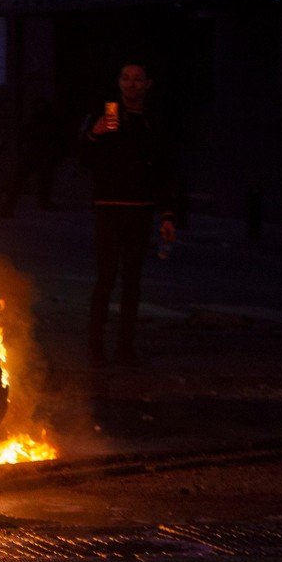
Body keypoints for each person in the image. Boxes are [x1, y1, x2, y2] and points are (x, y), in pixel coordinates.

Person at [80, 61, 178, 367]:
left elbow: (164, 169)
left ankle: (125, 347)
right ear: (119, 82)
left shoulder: (153, 121)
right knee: (106, 277)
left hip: (140, 209)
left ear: (148, 84)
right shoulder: (108, 113)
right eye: (126, 78)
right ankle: (97, 348)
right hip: (109, 207)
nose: (131, 84)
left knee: (132, 281)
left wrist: (168, 215)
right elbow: (85, 159)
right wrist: (94, 135)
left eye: (138, 79)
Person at [0, 95, 65, 217]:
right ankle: (8, 207)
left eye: (42, 106)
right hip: (31, 155)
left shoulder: (51, 122)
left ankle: (43, 202)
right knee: (18, 182)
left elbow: (57, 140)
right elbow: (23, 137)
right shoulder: (34, 120)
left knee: (44, 181)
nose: (40, 108)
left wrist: (55, 156)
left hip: (44, 156)